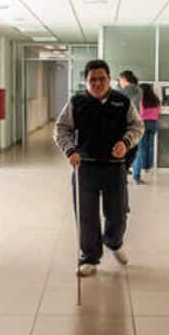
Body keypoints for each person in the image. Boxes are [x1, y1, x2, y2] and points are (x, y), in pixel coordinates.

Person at [55, 60, 144, 276]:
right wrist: (70, 150)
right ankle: (90, 257)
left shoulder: (122, 102)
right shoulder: (77, 102)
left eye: (102, 79)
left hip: (114, 168)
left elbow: (137, 126)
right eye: (92, 79)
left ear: (109, 79)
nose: (97, 83)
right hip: (85, 168)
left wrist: (126, 142)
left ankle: (113, 242)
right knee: (86, 216)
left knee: (118, 214)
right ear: (85, 81)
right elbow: (61, 128)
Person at [133, 83, 161, 184]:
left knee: (140, 149)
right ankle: (147, 165)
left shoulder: (141, 99)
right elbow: (159, 112)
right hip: (153, 123)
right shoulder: (156, 99)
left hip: (143, 123)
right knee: (150, 146)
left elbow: (139, 112)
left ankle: (137, 176)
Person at [117, 70, 142, 174]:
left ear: (124, 79)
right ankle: (133, 172)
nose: (119, 82)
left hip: (122, 125)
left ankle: (123, 171)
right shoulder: (139, 90)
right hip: (135, 124)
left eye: (120, 80)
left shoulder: (121, 92)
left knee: (121, 149)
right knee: (134, 149)